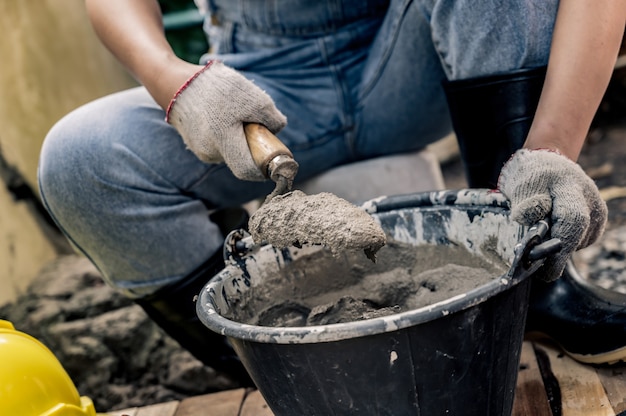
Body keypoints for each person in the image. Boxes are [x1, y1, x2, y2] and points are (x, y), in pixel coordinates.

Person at [38, 0, 626, 384]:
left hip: (408, 55)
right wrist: (174, 81)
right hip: (264, 85)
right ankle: (285, 363)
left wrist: (547, 153)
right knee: (78, 160)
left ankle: (536, 286)